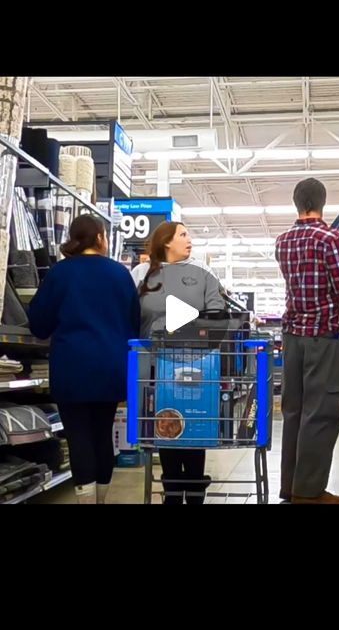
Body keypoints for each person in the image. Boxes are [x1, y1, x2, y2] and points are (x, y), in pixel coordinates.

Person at [28, 214, 140, 504]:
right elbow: (134, 323)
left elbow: (39, 324)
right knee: (103, 434)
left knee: (79, 436)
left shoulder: (60, 273)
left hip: (72, 365)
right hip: (111, 366)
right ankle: (101, 499)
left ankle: (85, 501)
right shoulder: (120, 274)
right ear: (101, 238)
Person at [275, 178, 339, 504]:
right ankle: (308, 493)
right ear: (323, 202)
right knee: (321, 414)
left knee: (294, 412)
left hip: (293, 337)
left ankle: (291, 486)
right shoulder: (331, 239)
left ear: (297, 203)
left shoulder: (283, 241)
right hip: (324, 338)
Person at [131, 221, 225, 504]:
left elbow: (217, 313)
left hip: (195, 362)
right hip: (154, 364)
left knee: (194, 423)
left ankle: (195, 490)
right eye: (183, 234)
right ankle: (172, 491)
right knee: (166, 425)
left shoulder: (202, 272)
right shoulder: (141, 273)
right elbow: (131, 315)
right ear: (166, 241)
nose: (189, 239)